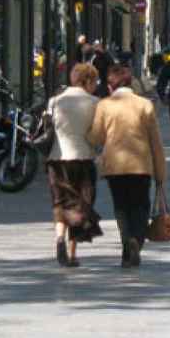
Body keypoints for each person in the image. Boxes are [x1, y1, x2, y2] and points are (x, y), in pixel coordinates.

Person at [88, 65, 167, 268]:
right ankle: (136, 242)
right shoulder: (145, 105)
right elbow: (156, 143)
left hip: (115, 166)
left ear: (110, 85)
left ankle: (126, 246)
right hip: (141, 165)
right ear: (130, 82)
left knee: (121, 207)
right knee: (141, 206)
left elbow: (96, 137)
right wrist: (160, 172)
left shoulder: (105, 105)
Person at [45, 63, 103, 268]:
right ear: (87, 81)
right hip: (83, 160)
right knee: (81, 206)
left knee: (61, 204)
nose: (96, 85)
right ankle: (72, 252)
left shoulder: (54, 101)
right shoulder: (95, 102)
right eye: (95, 81)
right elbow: (97, 135)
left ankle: (59, 239)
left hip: (57, 159)